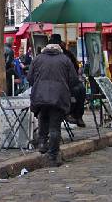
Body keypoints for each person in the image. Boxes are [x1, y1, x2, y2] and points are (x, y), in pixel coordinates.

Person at [27, 37, 79, 167]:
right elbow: (73, 79)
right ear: (59, 48)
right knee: (55, 127)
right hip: (58, 97)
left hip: (40, 96)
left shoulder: (38, 59)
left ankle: (43, 143)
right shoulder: (65, 59)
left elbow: (29, 78)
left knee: (43, 118)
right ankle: (52, 156)